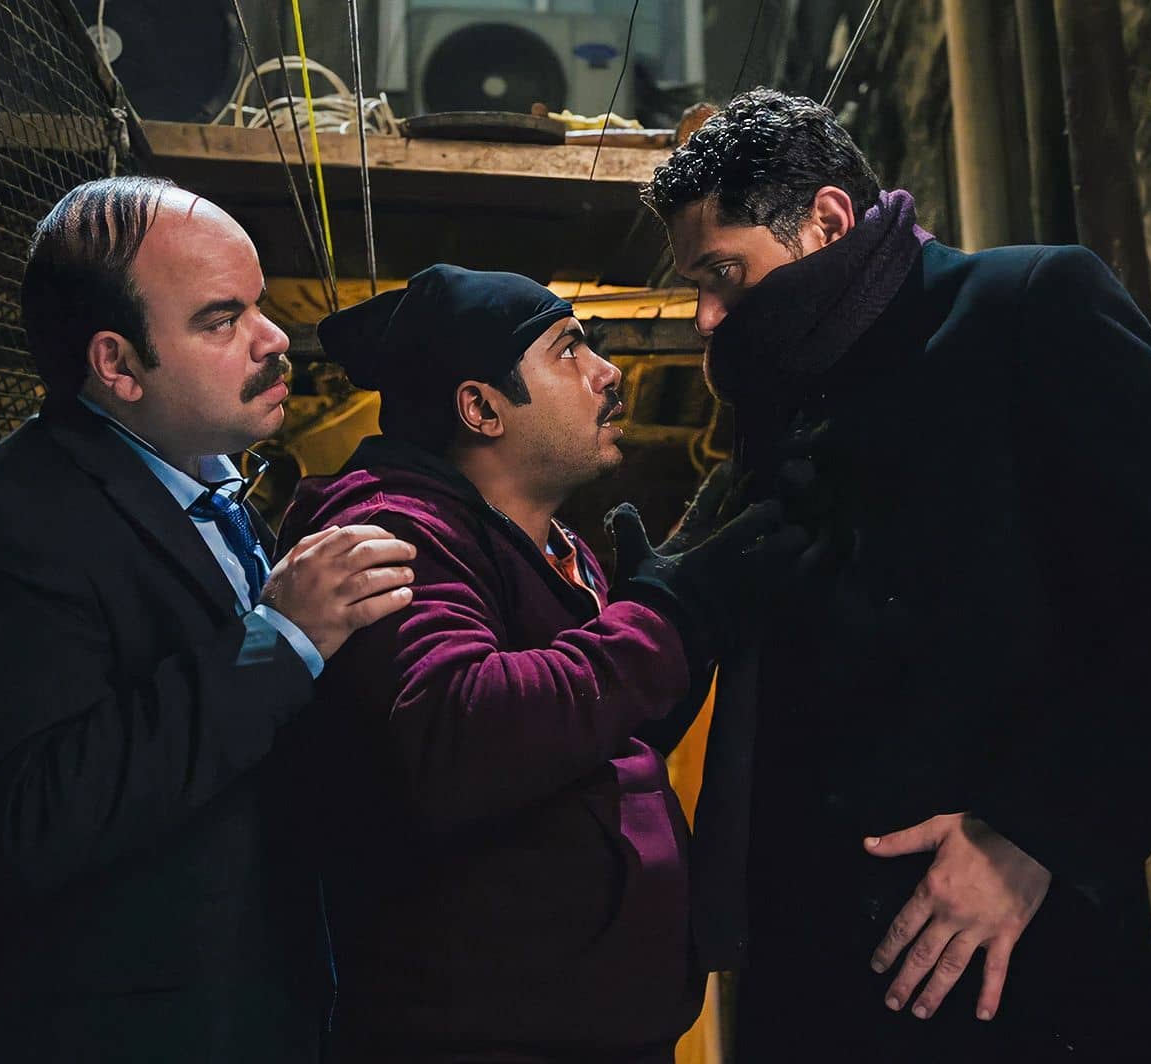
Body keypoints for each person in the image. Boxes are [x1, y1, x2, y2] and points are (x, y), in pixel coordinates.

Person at [641, 90, 1151, 1061]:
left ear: (828, 220)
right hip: (812, 963)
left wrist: (1031, 833)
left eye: (723, 275)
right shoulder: (787, 398)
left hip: (998, 970)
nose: (707, 319)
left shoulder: (1027, 308)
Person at [0, 177, 417, 1062]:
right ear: (119, 365)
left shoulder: (209, 488)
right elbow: (30, 815)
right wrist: (284, 639)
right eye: (222, 320)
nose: (274, 338)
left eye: (259, 305)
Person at [277, 265, 816, 1063]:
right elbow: (459, 731)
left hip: (583, 1028)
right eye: (569, 350)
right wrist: (664, 620)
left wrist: (688, 628)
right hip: (478, 1039)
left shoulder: (551, 547)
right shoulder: (393, 534)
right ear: (481, 408)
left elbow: (587, 739)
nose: (608, 374)